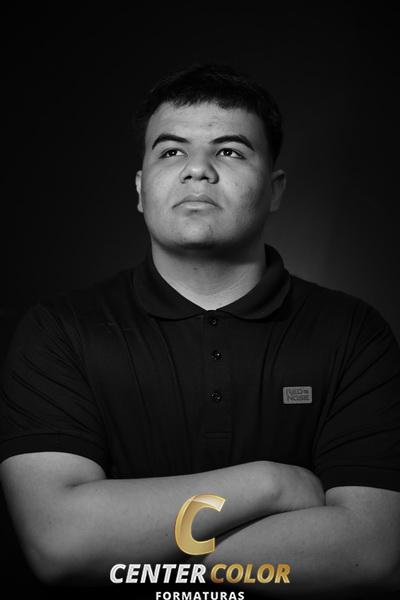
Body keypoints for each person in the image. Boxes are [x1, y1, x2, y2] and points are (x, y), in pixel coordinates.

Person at [0, 64, 399, 596]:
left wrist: (129, 546)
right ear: (140, 189)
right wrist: (271, 484)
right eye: (171, 152)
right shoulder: (60, 331)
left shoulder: (354, 333)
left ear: (274, 189)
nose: (198, 171)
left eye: (229, 151)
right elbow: (61, 542)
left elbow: (371, 552)